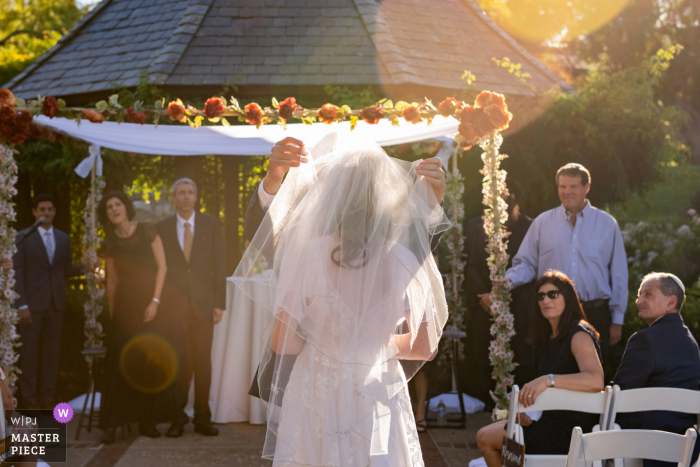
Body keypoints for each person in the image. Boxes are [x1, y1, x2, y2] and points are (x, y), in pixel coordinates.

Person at [235, 135, 450, 466]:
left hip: (316, 386)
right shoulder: (406, 258)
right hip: (379, 387)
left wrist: (328, 345)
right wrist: (374, 347)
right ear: (389, 194)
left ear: (329, 192)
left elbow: (283, 342)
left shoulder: (306, 252)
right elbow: (424, 348)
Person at [484, 163, 628, 361]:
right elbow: (526, 264)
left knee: (592, 379)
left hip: (595, 314)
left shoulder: (607, 224)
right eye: (562, 187)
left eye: (573, 187)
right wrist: (508, 280)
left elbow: (619, 274)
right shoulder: (542, 223)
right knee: (551, 375)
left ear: (586, 188)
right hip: (552, 314)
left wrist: (617, 319)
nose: (567, 192)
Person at [476, 271, 604, 464]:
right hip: (549, 421)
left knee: (486, 438)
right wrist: (529, 415)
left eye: (553, 294)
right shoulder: (550, 338)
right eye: (541, 296)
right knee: (493, 436)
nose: (546, 300)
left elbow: (596, 380)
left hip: (572, 431)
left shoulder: (578, 333)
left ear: (567, 298)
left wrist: (548, 379)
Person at [158, 178, 226, 438]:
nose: (186, 197)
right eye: (181, 193)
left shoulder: (210, 224)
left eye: (190, 193)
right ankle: (177, 419)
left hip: (203, 307)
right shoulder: (162, 227)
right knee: (177, 364)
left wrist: (219, 303)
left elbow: (219, 265)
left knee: (202, 364)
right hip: (173, 308)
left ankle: (202, 418)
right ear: (174, 197)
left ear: (195, 198)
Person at [613, 272, 700, 467]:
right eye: (639, 294)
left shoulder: (645, 339)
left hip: (644, 445)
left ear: (671, 302)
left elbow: (620, 395)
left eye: (648, 295)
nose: (638, 301)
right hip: (686, 446)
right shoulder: (691, 344)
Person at [13, 193, 84, 409]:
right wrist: (22, 305)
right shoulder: (22, 237)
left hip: (56, 305)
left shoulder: (63, 238)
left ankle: (47, 399)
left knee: (52, 355)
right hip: (31, 307)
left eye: (50, 209)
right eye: (42, 209)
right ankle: (30, 401)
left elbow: (66, 269)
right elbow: (17, 272)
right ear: (35, 212)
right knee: (29, 354)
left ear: (54, 211)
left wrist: (88, 265)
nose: (46, 213)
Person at [465, 186, 533, 407]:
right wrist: (485, 298)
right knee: (484, 350)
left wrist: (501, 295)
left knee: (517, 352)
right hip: (484, 302)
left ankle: (515, 403)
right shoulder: (477, 226)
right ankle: (488, 402)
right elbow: (472, 265)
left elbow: (528, 266)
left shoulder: (528, 227)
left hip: (517, 302)